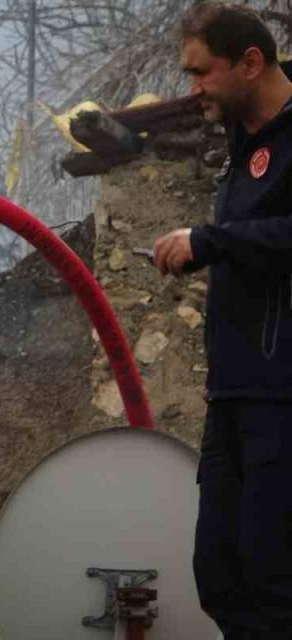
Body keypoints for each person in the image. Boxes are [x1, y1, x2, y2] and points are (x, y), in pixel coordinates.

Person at [151, 4, 292, 637]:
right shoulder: (244, 144)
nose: (193, 88)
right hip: (232, 394)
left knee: (272, 576)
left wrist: (210, 241)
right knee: (219, 571)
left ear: (251, 62)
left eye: (202, 72)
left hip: (283, 397)